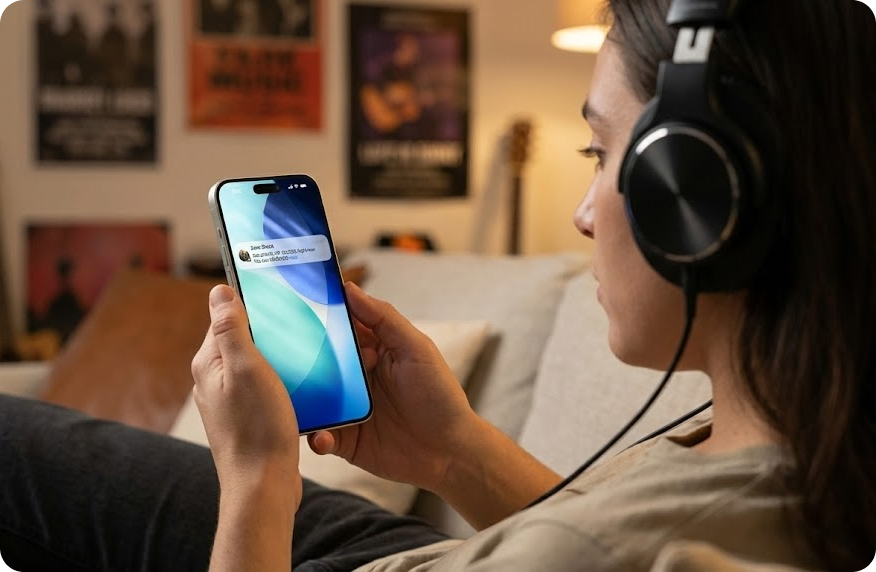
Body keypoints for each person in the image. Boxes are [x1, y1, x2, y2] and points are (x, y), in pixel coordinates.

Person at [1, 0, 874, 570]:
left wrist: (258, 478)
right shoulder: (809, 440)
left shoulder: (588, 549)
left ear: (704, 196)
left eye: (600, 153)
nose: (580, 215)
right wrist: (452, 449)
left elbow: (582, 547)